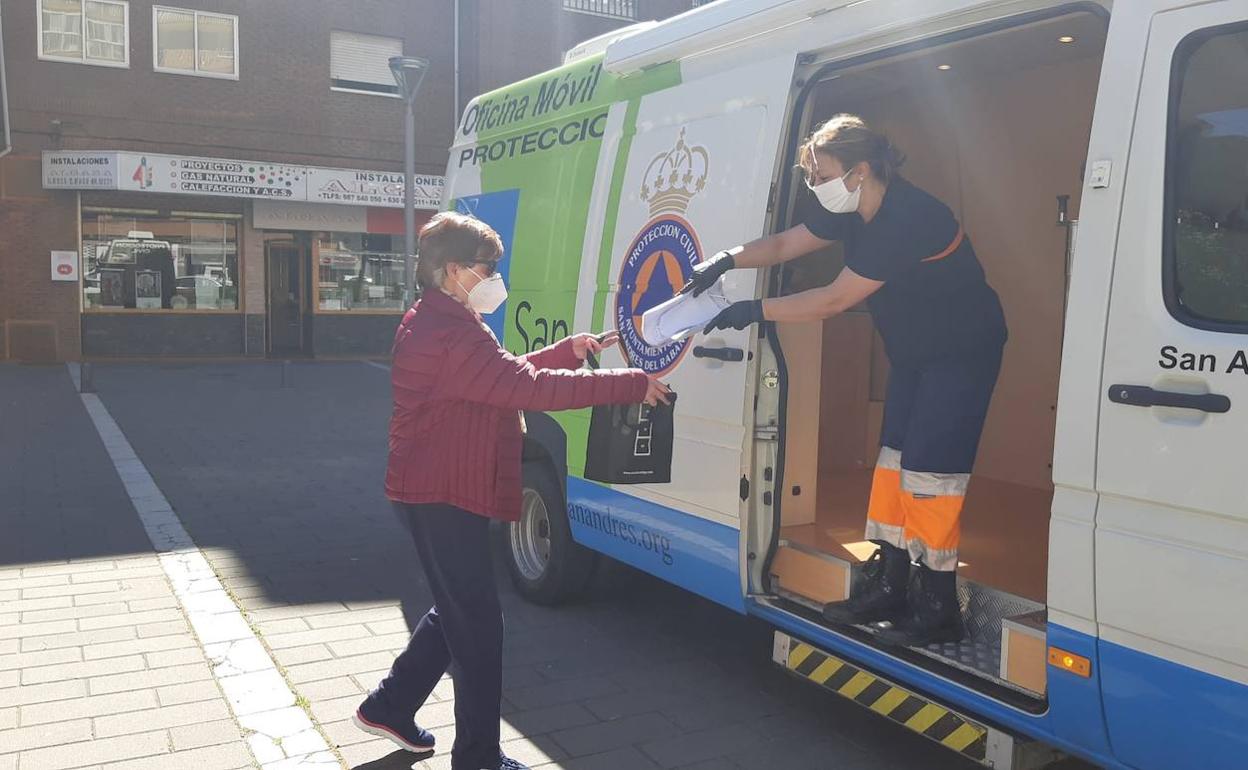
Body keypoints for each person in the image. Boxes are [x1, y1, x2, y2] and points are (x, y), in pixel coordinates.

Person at [355, 212, 670, 770]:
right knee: (476, 626)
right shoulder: (449, 329)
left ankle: (390, 705)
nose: (497, 278)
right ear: (454, 270)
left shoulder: (441, 318)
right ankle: (478, 758)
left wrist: (567, 351)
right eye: (488, 268)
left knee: (458, 609)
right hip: (440, 491)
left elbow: (498, 376)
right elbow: (522, 388)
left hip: (435, 486)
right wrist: (630, 382)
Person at [685, 114, 1007, 647]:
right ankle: (892, 582)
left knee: (931, 475)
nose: (814, 185)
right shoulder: (856, 208)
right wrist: (727, 260)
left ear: (859, 172)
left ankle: (937, 605)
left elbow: (833, 300)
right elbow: (792, 242)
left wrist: (754, 308)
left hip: (960, 353)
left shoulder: (908, 217)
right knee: (894, 465)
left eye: (820, 173)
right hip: (915, 354)